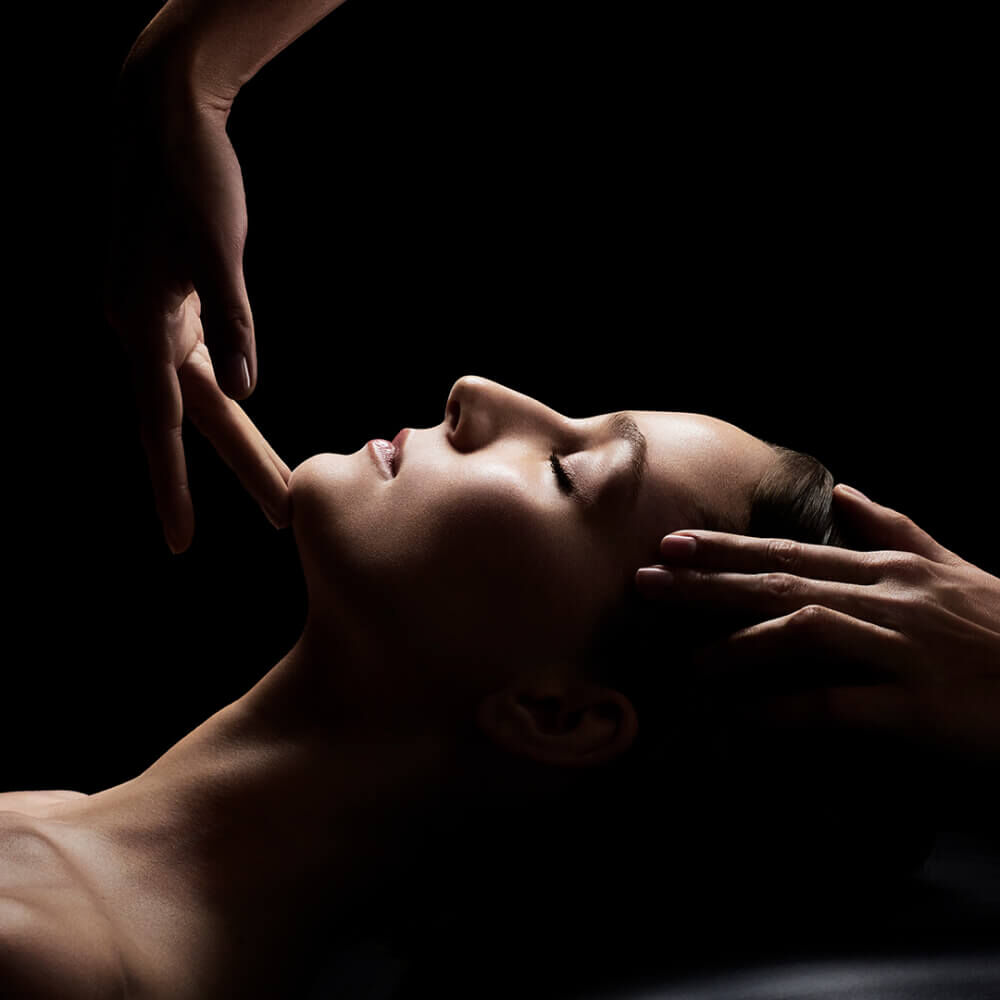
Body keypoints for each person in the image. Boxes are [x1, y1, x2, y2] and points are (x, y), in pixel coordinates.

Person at [2, 375, 998, 998]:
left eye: (567, 472)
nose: (477, 392)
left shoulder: (48, 959)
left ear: (555, 713)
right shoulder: (53, 859)